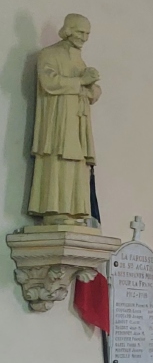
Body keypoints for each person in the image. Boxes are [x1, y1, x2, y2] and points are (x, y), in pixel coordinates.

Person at [28, 14, 101, 224]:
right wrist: (81, 81)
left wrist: (93, 89)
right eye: (80, 32)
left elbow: (85, 89)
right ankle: (55, 210)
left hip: (77, 120)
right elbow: (49, 82)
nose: (84, 38)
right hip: (58, 119)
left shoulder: (79, 59)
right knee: (59, 159)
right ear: (68, 30)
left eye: (87, 34)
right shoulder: (50, 54)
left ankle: (72, 209)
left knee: (76, 163)